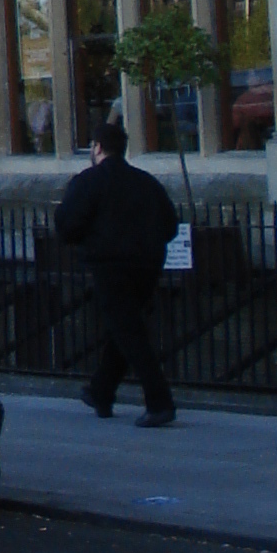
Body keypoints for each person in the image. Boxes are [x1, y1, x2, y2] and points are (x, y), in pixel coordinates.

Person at [55, 114, 181, 425]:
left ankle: (159, 401)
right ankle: (101, 391)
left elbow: (67, 225)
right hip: (148, 265)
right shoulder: (146, 182)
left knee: (129, 332)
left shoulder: (88, 182)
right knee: (124, 328)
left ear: (97, 147)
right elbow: (170, 225)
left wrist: (90, 241)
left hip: (110, 266)